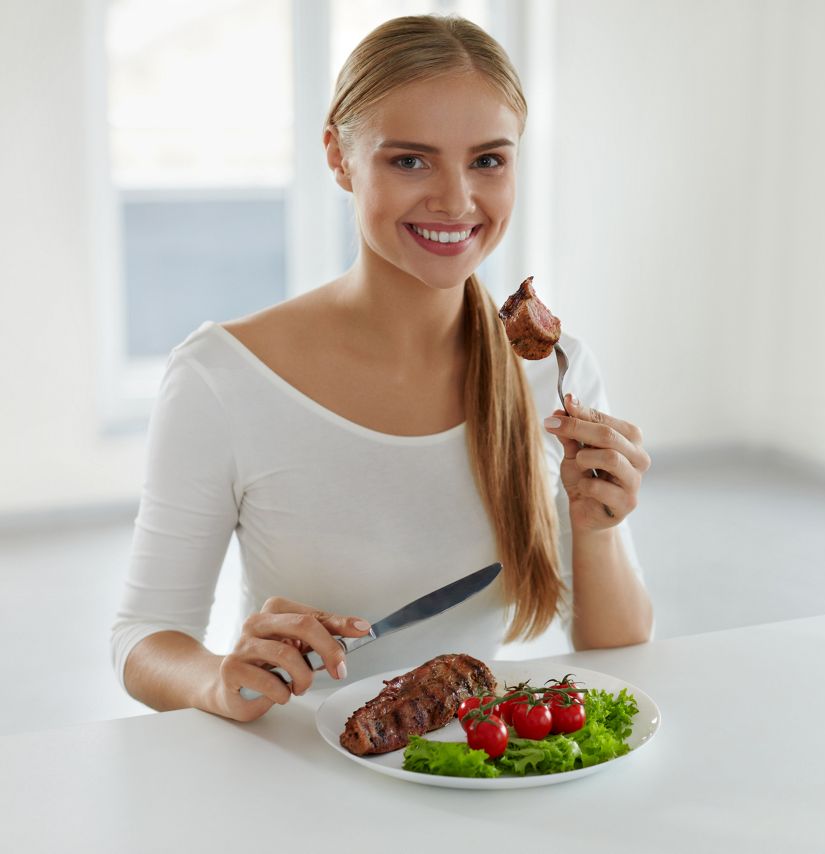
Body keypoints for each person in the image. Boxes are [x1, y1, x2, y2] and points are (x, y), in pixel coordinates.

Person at [111, 14, 653, 723]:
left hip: (474, 775)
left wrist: (600, 525)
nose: (456, 200)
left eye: (488, 160)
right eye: (410, 160)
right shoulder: (223, 376)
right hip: (298, 782)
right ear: (338, 156)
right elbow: (142, 638)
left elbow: (616, 646)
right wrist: (216, 679)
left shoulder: (555, 372)